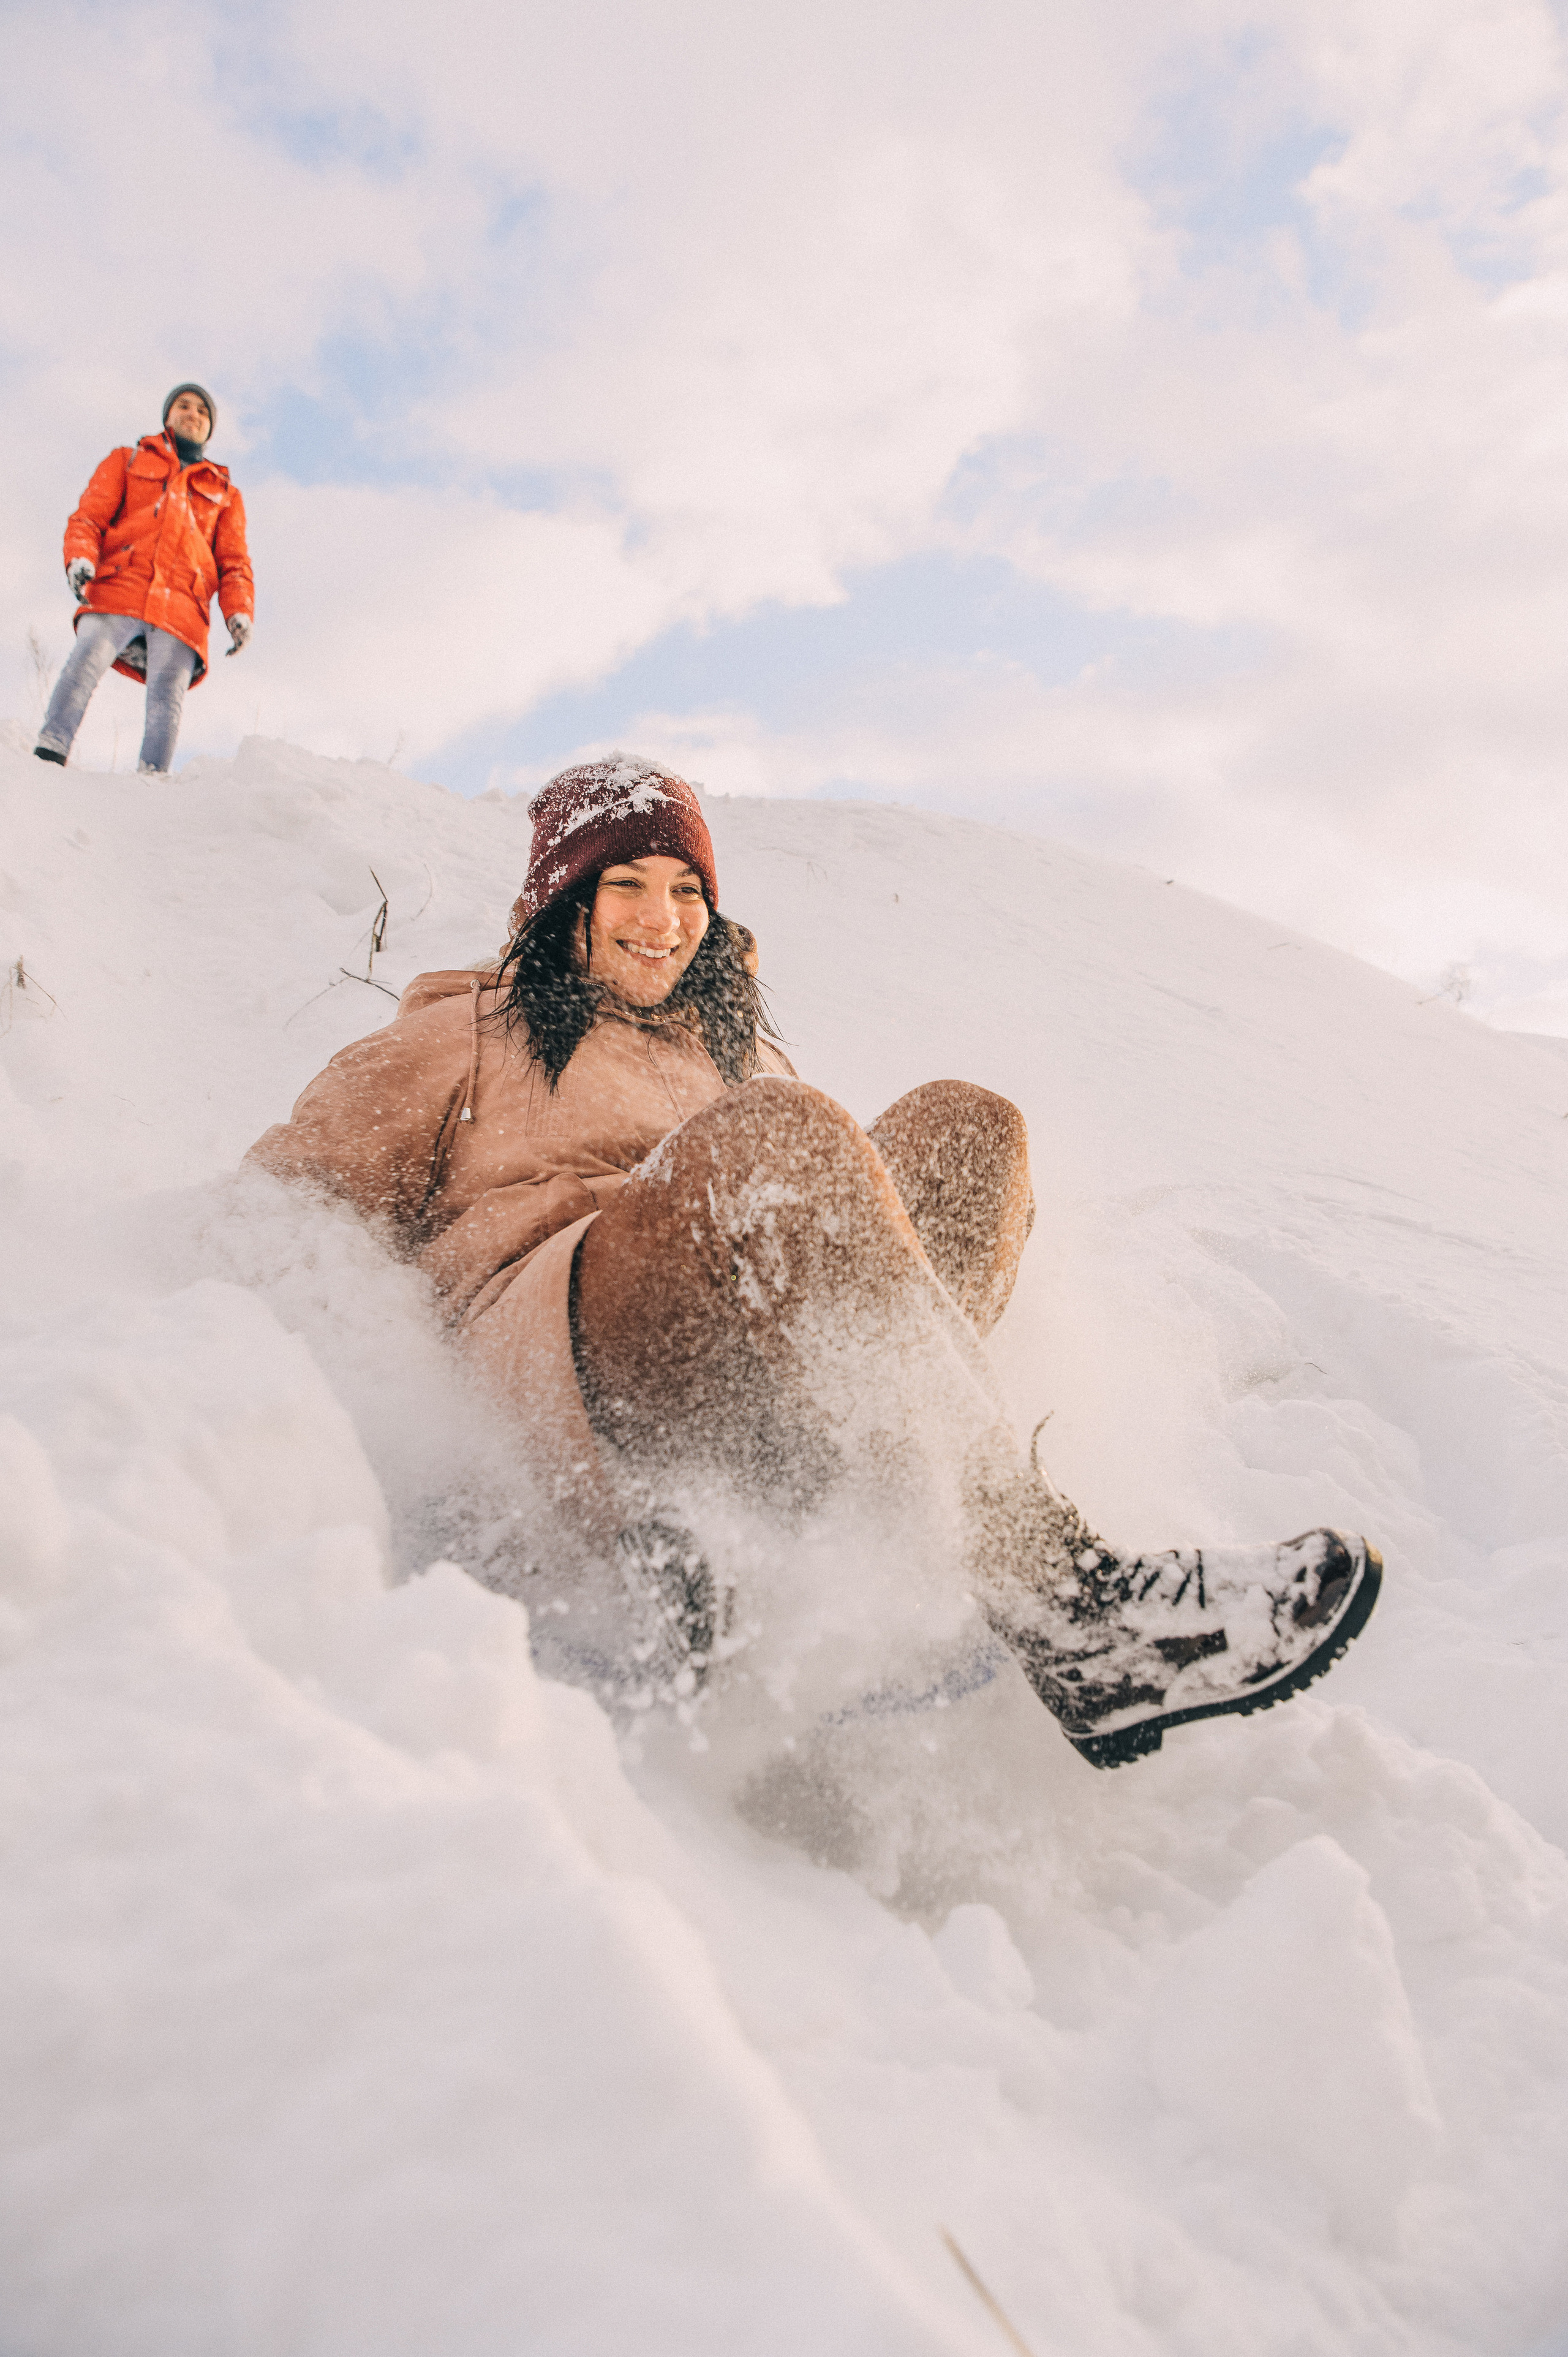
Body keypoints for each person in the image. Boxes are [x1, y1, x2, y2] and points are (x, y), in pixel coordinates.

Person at [247, 755, 1381, 1769]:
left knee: (966, 1125)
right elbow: (280, 1210)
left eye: (689, 889)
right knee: (781, 1137)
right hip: (568, 1355)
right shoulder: (459, 1033)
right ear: (564, 902)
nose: (665, 916)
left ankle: (868, 1528)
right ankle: (1056, 1589)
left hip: (751, 1378)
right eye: (628, 884)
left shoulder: (740, 1055)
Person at [34, 382, 254, 776]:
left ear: (209, 429)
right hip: (120, 589)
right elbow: (89, 517)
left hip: (182, 609)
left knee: (167, 697)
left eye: (202, 411)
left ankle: (151, 785)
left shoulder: (225, 495)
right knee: (84, 662)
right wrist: (81, 558)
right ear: (168, 417)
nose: (193, 413)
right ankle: (50, 753)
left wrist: (239, 612)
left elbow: (234, 561)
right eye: (184, 406)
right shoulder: (128, 459)